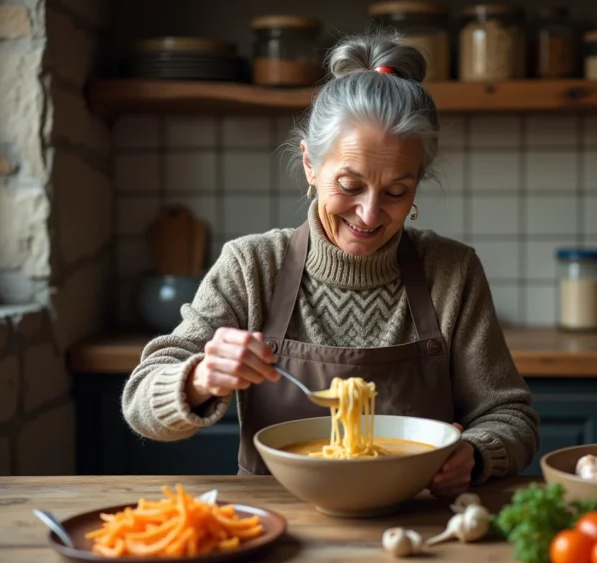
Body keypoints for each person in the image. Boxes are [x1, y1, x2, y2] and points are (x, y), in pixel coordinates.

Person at [122, 31, 540, 500]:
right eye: (350, 184)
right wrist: (200, 378)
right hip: (276, 526)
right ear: (310, 166)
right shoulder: (252, 266)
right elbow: (141, 403)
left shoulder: (452, 272)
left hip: (414, 525)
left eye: (397, 192)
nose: (369, 213)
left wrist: (477, 453)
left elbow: (510, 416)